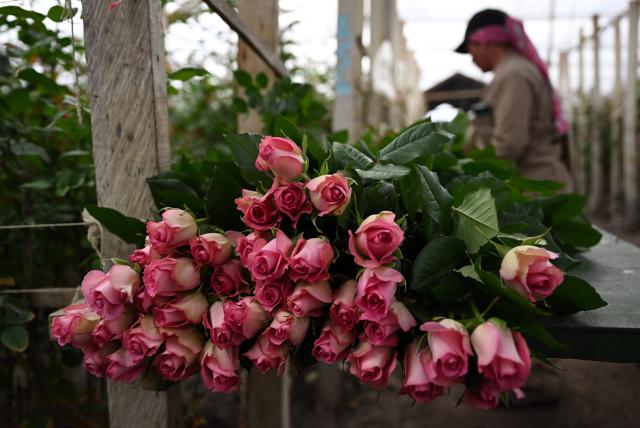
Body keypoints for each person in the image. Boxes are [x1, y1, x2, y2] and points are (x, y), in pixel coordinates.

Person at [456, 9, 574, 191]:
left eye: (471, 48)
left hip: (536, 188)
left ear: (486, 42)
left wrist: (469, 168)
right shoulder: (511, 72)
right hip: (538, 184)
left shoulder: (514, 75)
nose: (472, 58)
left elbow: (509, 145)